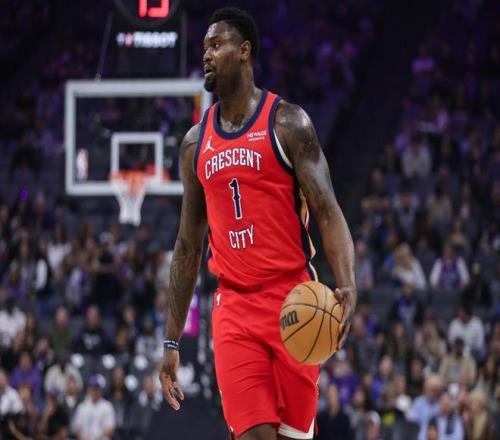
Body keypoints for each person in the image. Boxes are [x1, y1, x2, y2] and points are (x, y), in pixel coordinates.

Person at [159, 7, 356, 440]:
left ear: (244, 51)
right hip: (234, 307)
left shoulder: (288, 124)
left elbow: (327, 211)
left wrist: (348, 284)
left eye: (216, 45)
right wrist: (172, 339)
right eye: (204, 47)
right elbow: (188, 245)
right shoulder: (195, 143)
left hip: (295, 300)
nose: (206, 55)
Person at [72, 375, 116, 440]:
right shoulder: (82, 407)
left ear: (101, 390)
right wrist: (83, 438)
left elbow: (110, 430)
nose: (95, 391)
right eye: (93, 389)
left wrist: (96, 436)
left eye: (97, 389)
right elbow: (77, 428)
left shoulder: (107, 406)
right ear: (89, 390)